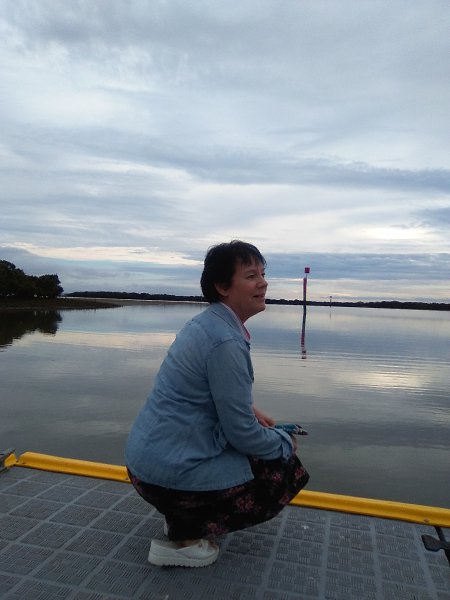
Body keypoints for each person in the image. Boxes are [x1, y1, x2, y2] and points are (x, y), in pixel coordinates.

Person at [125, 240, 309, 568]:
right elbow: (242, 434)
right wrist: (284, 443)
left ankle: (182, 518)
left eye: (263, 274)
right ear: (222, 286)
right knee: (284, 467)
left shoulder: (205, 324)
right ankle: (184, 540)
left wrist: (251, 412)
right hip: (166, 477)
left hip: (145, 465)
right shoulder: (226, 341)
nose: (263, 283)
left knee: (258, 445)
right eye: (251, 276)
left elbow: (197, 392)